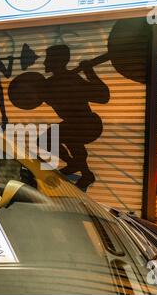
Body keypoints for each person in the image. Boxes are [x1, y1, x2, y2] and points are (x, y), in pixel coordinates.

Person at [40, 45, 110, 190]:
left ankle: (77, 166)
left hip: (87, 124)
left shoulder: (71, 79)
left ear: (56, 60)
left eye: (48, 59)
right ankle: (84, 172)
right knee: (57, 138)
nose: (44, 63)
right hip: (74, 124)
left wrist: (89, 71)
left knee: (58, 137)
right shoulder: (51, 84)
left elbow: (103, 96)